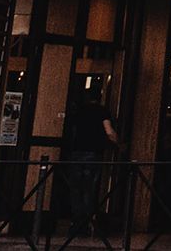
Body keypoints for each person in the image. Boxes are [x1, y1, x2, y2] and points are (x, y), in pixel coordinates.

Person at [62, 80, 119, 239]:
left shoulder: (78, 111)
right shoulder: (102, 112)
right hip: (93, 154)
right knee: (89, 189)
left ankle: (76, 223)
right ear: (99, 96)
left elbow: (71, 131)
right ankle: (88, 223)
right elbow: (109, 132)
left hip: (76, 153)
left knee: (75, 189)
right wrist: (118, 143)